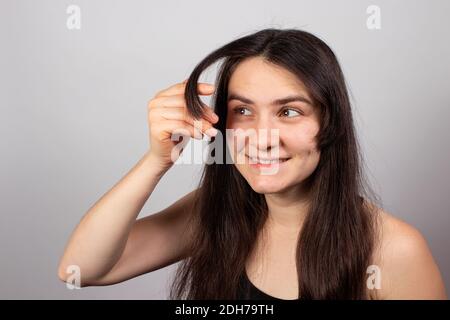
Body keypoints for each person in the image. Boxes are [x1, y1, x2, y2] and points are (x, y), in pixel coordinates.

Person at [58, 28, 447, 300]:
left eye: (290, 111)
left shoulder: (393, 250)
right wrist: (156, 161)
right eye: (242, 110)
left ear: (330, 122)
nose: (262, 136)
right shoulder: (212, 212)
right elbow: (81, 271)